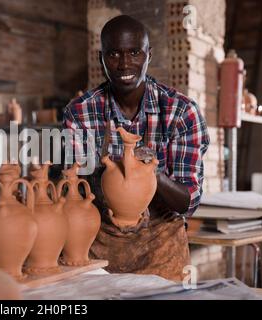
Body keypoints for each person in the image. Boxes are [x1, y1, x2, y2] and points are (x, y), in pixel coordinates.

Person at [62, 15, 210, 281]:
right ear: (101, 58)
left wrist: (151, 175)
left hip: (161, 243)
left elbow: (188, 202)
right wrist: (110, 178)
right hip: (98, 239)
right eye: (114, 54)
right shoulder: (81, 112)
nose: (125, 63)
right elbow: (72, 188)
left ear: (148, 55)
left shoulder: (181, 111)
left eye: (134, 52)